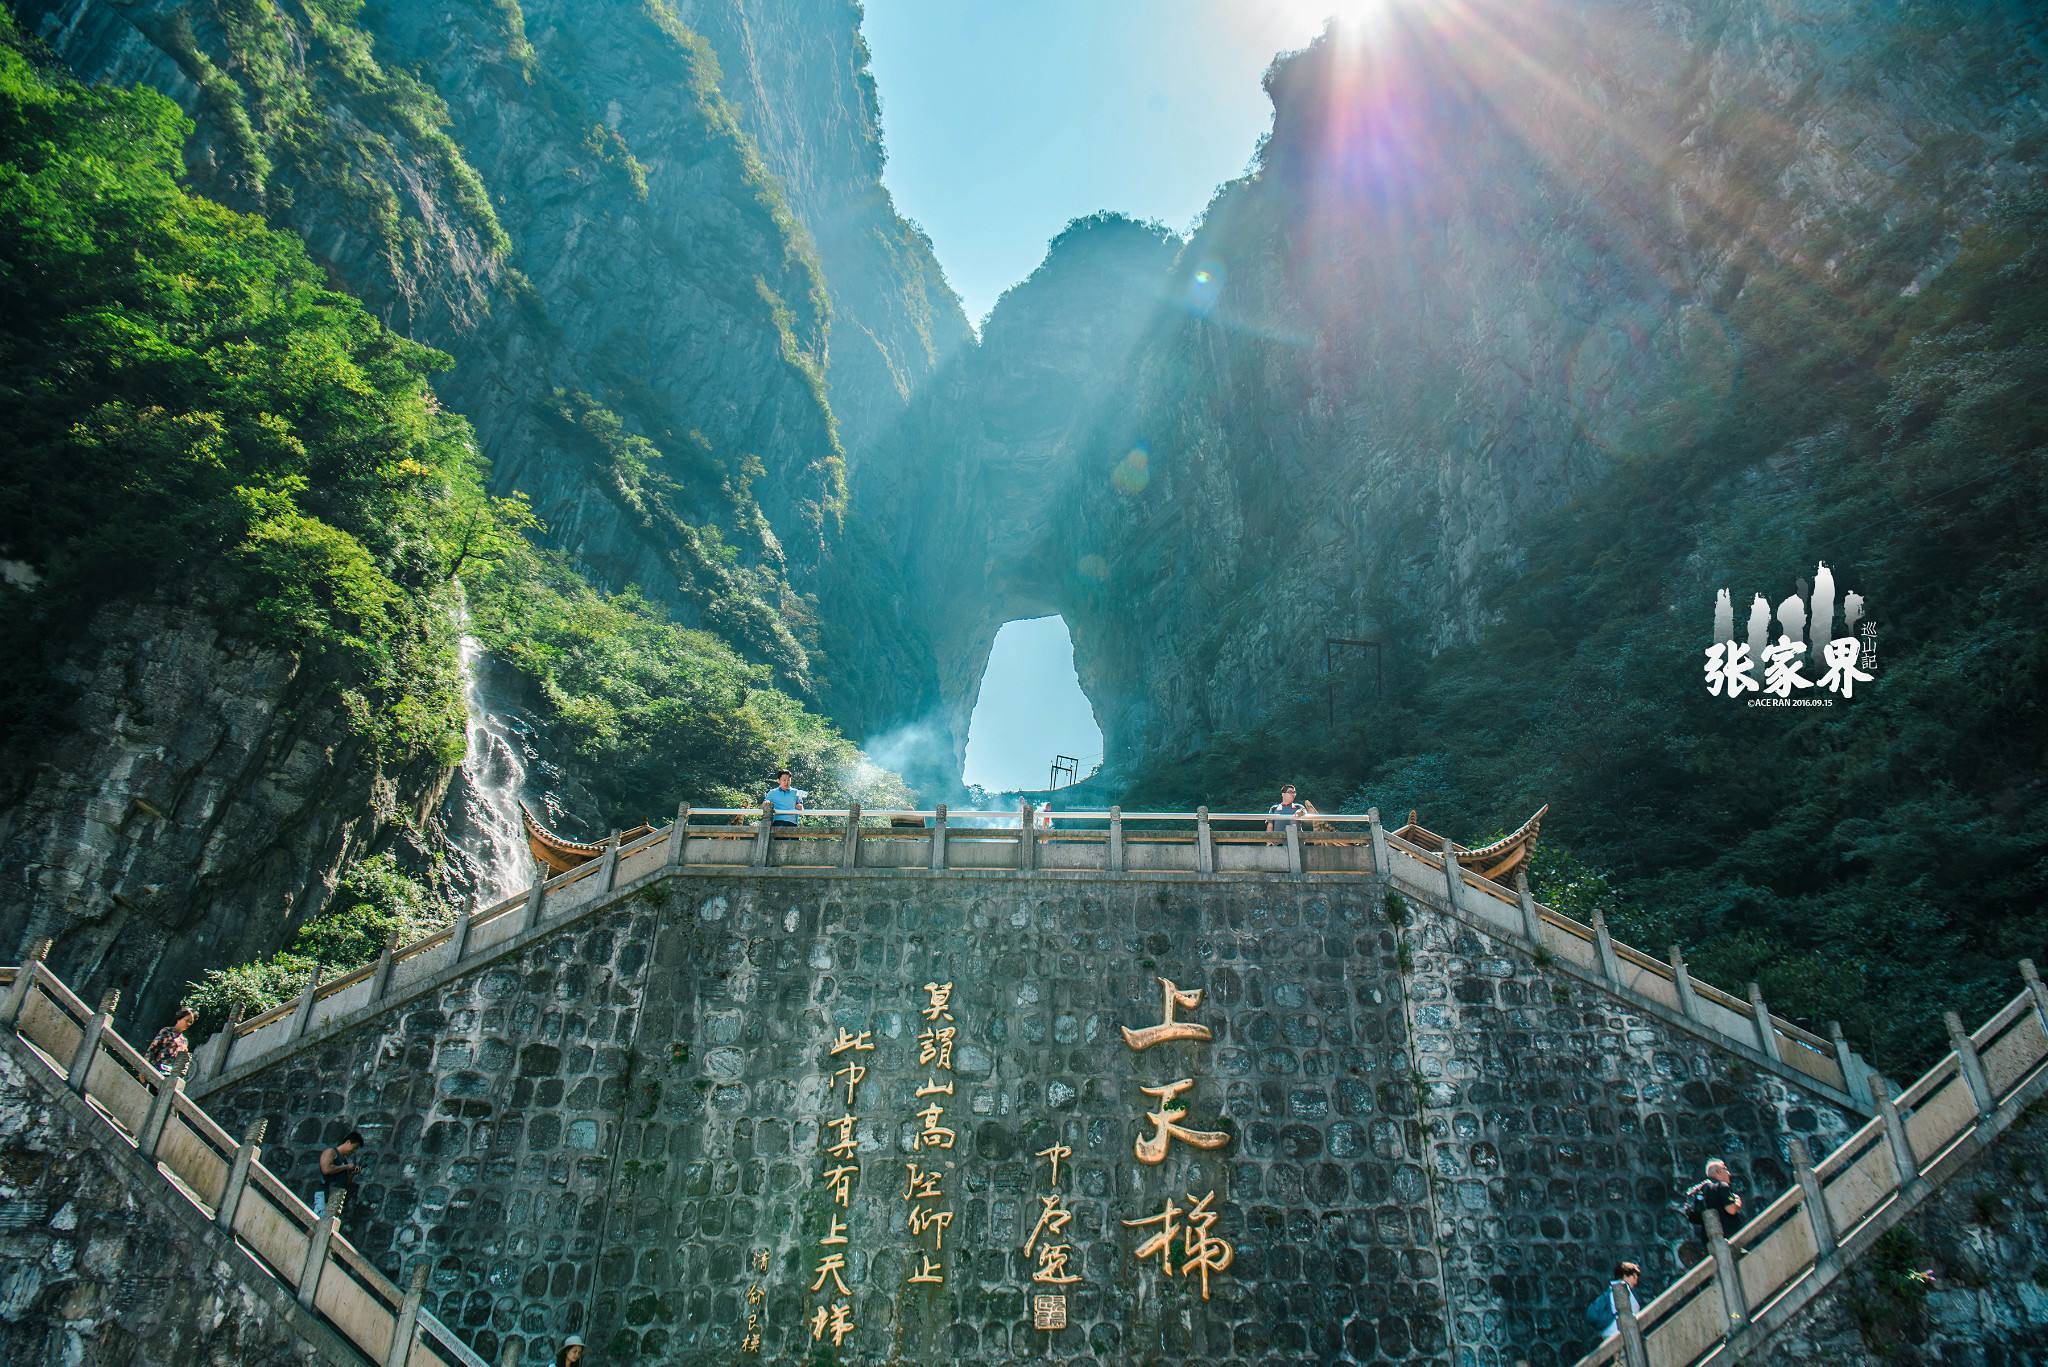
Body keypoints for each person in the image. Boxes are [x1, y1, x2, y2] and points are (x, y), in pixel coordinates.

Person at [1683, 1158, 1744, 1240]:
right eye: (1725, 1169)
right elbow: (1731, 1209)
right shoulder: (1722, 1186)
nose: (1728, 1173)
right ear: (1719, 1172)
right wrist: (1737, 1202)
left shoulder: (1701, 1191)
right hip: (1728, 1239)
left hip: (1709, 1240)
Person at [314, 1130, 364, 1219]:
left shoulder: (344, 1160)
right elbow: (326, 1169)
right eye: (354, 1147)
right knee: (318, 1221)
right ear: (348, 1142)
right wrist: (346, 1167)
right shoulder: (331, 1152)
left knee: (326, 1224)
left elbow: (344, 1183)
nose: (354, 1151)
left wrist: (352, 1174)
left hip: (335, 1197)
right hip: (325, 1193)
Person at [1585, 1261, 1642, 1337]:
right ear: (1625, 1275)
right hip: (1621, 1332)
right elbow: (1634, 1311)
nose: (1636, 1281)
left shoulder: (1610, 1290)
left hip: (1606, 1333)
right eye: (1634, 1277)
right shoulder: (1623, 1288)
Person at [146, 1004, 198, 1074]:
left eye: (190, 1022)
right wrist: (143, 1069)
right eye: (187, 1020)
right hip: (155, 1071)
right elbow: (152, 1050)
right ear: (179, 1019)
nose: (188, 1024)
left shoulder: (184, 1041)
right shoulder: (166, 1031)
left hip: (169, 1076)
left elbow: (181, 1063)